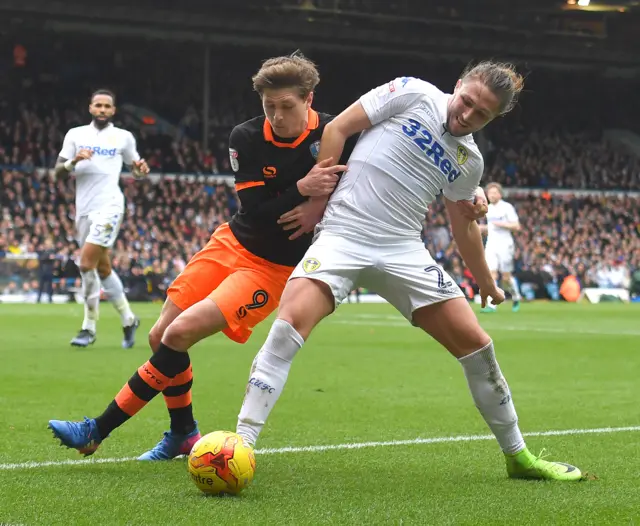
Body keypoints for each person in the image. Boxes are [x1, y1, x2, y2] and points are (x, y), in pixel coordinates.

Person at [234, 63, 583, 481]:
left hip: (402, 248)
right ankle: (241, 445)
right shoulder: (413, 92)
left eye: (481, 114)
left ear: (494, 119)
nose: (467, 114)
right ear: (458, 85)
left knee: (478, 346)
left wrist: (486, 282)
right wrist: (317, 202)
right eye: (467, 101)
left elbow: (463, 224)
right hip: (344, 232)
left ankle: (518, 456)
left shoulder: (469, 162)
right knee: (288, 324)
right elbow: (339, 129)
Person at [48, 53, 355, 459]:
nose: (277, 116)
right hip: (231, 242)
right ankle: (183, 433)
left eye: (287, 106)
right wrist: (302, 188)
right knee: (160, 335)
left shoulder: (337, 135)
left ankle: (96, 430)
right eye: (269, 106)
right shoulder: (245, 137)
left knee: (177, 335)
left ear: (309, 99)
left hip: (274, 269)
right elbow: (254, 211)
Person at [54, 89, 149, 348]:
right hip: (84, 209)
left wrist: (140, 172)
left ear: (113, 110)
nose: (103, 110)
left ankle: (88, 327)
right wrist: (74, 162)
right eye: (99, 105)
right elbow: (57, 173)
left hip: (110, 206)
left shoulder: (123, 138)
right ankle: (129, 319)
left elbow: (136, 169)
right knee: (102, 268)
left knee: (86, 264)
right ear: (91, 108)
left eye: (107, 106)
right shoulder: (75, 135)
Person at [479, 182, 522, 312]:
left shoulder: (507, 207)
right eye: (489, 193)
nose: (491, 195)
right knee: (491, 273)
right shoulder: (488, 208)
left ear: (500, 194)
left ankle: (515, 296)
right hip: (492, 244)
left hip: (505, 245)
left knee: (506, 278)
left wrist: (501, 224)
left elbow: (516, 226)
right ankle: (492, 305)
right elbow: (491, 228)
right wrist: (482, 228)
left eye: (494, 193)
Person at [37, 238, 56, 303]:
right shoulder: (42, 251)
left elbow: (51, 258)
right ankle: (38, 298)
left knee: (49, 286)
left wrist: (46, 257)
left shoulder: (52, 251)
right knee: (41, 286)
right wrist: (48, 257)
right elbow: (41, 258)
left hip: (49, 270)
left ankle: (50, 299)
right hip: (42, 270)